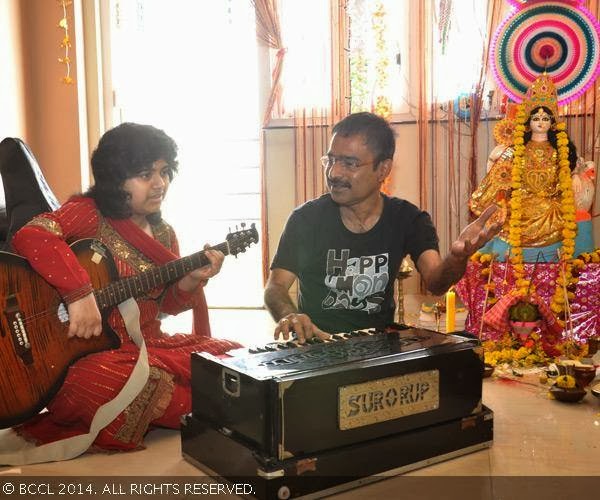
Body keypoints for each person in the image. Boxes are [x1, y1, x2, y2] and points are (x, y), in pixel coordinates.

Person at [10, 122, 241, 451]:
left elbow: (165, 305)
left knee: (235, 357)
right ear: (116, 179)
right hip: (87, 357)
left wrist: (191, 280)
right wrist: (79, 294)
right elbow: (32, 236)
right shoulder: (88, 215)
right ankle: (197, 402)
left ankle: (195, 400)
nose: (159, 184)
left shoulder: (164, 234)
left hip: (148, 345)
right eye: (146, 174)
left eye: (164, 171)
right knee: (106, 381)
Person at [264, 112, 501, 342]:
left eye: (350, 163)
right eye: (332, 160)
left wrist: (457, 257)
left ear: (383, 170)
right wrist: (289, 315)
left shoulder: (408, 218)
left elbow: (436, 283)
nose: (334, 172)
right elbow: (275, 287)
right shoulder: (306, 219)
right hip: (318, 348)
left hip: (378, 349)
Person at [470, 74, 595, 262]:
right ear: (528, 121)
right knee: (504, 219)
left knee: (564, 215)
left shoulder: (561, 148)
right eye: (536, 117)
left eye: (546, 118)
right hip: (523, 203)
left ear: (552, 122)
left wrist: (576, 175)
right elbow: (499, 177)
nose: (541, 122)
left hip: (551, 205)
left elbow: (575, 166)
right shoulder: (517, 149)